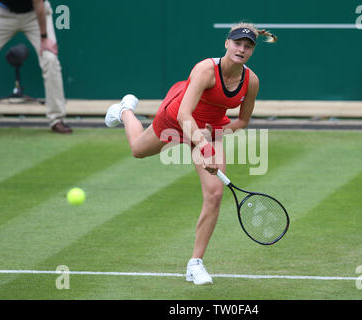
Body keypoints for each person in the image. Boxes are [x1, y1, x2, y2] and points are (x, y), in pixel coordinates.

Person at [105, 23, 277, 285]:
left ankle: (195, 263)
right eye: (238, 43)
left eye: (248, 46)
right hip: (176, 118)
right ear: (227, 43)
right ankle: (125, 111)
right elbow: (185, 115)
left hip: (210, 129)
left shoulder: (251, 81)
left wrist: (214, 136)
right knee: (137, 150)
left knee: (215, 193)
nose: (241, 49)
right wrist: (204, 145)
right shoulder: (205, 69)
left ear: (252, 50)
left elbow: (242, 121)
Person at [0, 0, 72, 134]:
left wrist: (44, 38)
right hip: (2, 14)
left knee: (50, 59)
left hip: (35, 15)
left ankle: (57, 119)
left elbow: (38, 5)